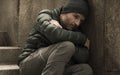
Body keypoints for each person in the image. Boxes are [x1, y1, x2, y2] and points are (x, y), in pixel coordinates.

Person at [18, 0, 93, 75]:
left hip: (54, 69)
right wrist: (81, 38)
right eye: (76, 16)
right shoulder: (46, 15)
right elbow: (54, 34)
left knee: (85, 69)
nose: (77, 23)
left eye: (81, 21)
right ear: (65, 11)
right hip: (29, 65)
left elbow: (84, 57)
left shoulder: (76, 30)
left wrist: (72, 48)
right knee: (67, 46)